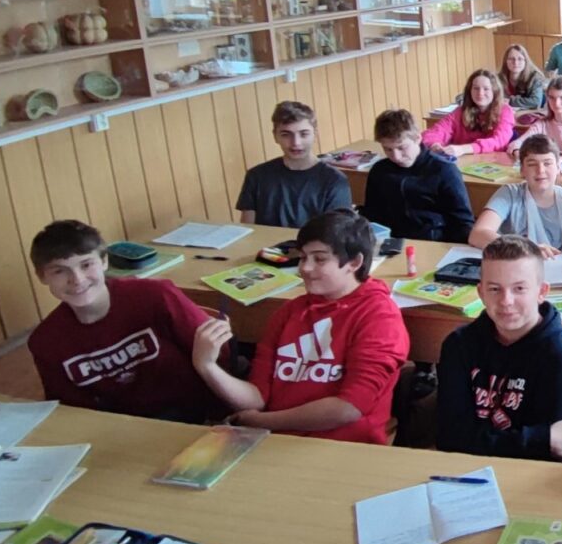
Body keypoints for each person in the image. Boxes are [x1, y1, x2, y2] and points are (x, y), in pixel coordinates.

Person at [192, 210, 410, 444]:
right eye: (303, 257)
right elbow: (257, 398)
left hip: (343, 446)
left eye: (319, 259)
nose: (304, 268)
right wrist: (207, 366)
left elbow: (348, 409)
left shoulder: (380, 317)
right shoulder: (289, 312)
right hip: (275, 440)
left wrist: (263, 422)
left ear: (354, 263)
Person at [27, 220, 223, 423]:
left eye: (86, 265)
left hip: (199, 415)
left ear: (104, 261)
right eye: (59, 271)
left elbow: (219, 355)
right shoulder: (45, 341)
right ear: (42, 276)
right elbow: (71, 412)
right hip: (122, 427)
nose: (77, 279)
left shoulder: (155, 295)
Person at [436, 235, 562, 461]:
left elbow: (558, 453)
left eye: (519, 288)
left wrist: (482, 441)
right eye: (495, 289)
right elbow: (449, 439)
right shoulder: (458, 346)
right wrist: (539, 439)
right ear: (481, 293)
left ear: (542, 292)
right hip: (467, 469)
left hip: (532, 477)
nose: (506, 301)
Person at [363, 108, 474, 244]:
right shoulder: (379, 171)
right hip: (391, 243)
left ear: (417, 138)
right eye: (388, 149)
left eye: (402, 147)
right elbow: (372, 215)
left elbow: (463, 223)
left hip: (434, 243)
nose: (396, 156)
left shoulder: (443, 170)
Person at [236, 101, 352, 228]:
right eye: (286, 135)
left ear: (315, 134)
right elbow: (248, 229)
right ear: (275, 136)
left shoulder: (335, 180)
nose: (296, 143)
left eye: (304, 134)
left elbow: (336, 233)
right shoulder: (256, 176)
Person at [470, 134, 562, 255]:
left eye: (547, 163)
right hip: (515, 263)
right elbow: (477, 234)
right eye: (532, 164)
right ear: (522, 170)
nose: (540, 170)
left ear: (558, 167)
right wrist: (525, 249)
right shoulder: (509, 194)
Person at [508, 76, 562, 172]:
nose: (557, 103)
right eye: (552, 98)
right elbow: (515, 144)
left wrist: (561, 157)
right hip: (549, 172)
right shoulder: (542, 124)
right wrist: (517, 153)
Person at [421, 69, 515, 157]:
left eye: (486, 89)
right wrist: (434, 145)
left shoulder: (505, 111)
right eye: (476, 88)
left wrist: (464, 149)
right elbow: (433, 133)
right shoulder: (460, 112)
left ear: (495, 91)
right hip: (465, 163)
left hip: (494, 162)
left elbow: (499, 141)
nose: (480, 93)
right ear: (469, 91)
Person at [501, 44, 548, 111]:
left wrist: (510, 101)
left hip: (528, 114)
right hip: (505, 114)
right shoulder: (498, 79)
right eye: (511, 59)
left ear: (525, 61)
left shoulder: (535, 78)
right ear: (505, 61)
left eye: (520, 59)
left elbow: (536, 102)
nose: (515, 62)